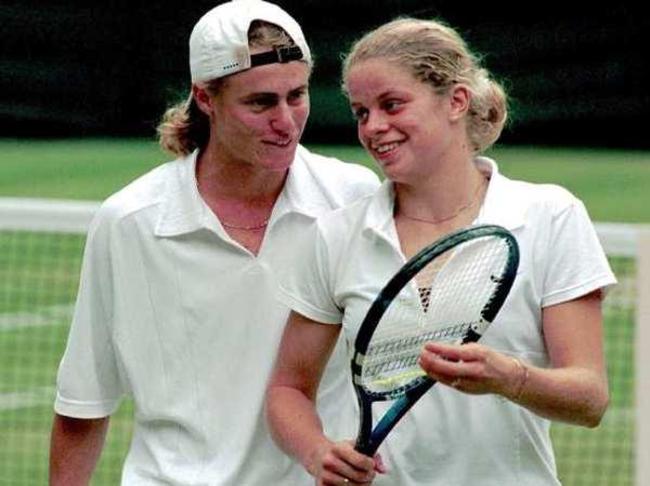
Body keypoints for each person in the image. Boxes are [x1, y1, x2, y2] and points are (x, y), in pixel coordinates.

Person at [266, 17, 616, 486]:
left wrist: (509, 377)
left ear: (456, 101)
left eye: (392, 104)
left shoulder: (549, 215)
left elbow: (590, 399)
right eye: (361, 112)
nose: (374, 127)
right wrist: (317, 452)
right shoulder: (338, 234)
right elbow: (288, 389)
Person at [49, 1, 379, 484]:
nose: (286, 121)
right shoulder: (128, 222)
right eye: (261, 102)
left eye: (298, 95)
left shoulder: (356, 198)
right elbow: (83, 404)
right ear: (205, 98)